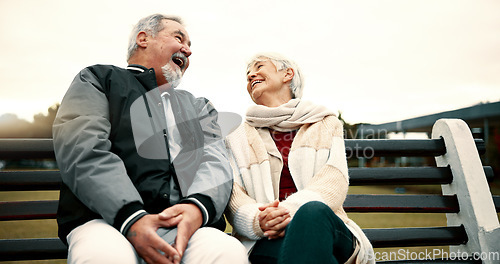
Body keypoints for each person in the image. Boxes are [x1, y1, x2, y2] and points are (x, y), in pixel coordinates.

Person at [53, 14, 248, 264]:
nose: (187, 50)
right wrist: (131, 217)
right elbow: (84, 150)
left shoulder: (199, 107)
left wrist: (196, 208)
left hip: (185, 225)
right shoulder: (98, 80)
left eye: (189, 45)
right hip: (105, 222)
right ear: (143, 38)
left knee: (228, 253)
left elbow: (216, 163)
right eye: (179, 38)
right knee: (104, 257)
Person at [225, 53, 375, 264]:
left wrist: (285, 213)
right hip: (266, 238)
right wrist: (258, 220)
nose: (251, 75)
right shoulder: (236, 136)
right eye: (248, 74)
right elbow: (234, 193)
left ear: (287, 74)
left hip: (326, 228)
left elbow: (333, 180)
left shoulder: (325, 122)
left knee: (311, 213)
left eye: (259, 67)